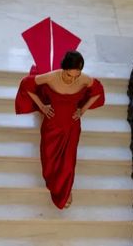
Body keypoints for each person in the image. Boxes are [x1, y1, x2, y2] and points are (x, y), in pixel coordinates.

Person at [15, 50, 105, 209]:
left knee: (69, 163)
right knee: (49, 160)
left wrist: (82, 110)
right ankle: (54, 186)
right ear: (63, 69)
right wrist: (42, 106)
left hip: (72, 125)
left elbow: (98, 91)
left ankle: (66, 190)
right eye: (69, 75)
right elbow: (25, 84)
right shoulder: (50, 76)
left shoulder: (84, 79)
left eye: (76, 76)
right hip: (52, 125)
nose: (72, 80)